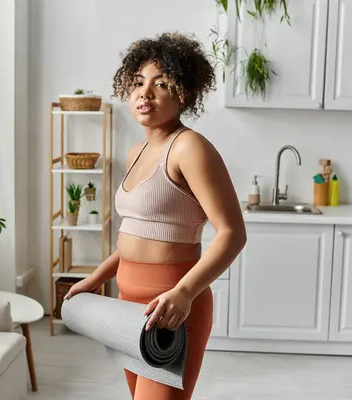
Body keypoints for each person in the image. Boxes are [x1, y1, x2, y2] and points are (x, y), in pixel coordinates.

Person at [64, 32, 246, 400]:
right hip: (128, 309)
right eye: (138, 83)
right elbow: (138, 235)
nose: (145, 93)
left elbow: (232, 233)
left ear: (184, 94)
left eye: (161, 84)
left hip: (173, 308)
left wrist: (184, 293)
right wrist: (96, 278)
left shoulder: (190, 148)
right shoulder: (137, 152)